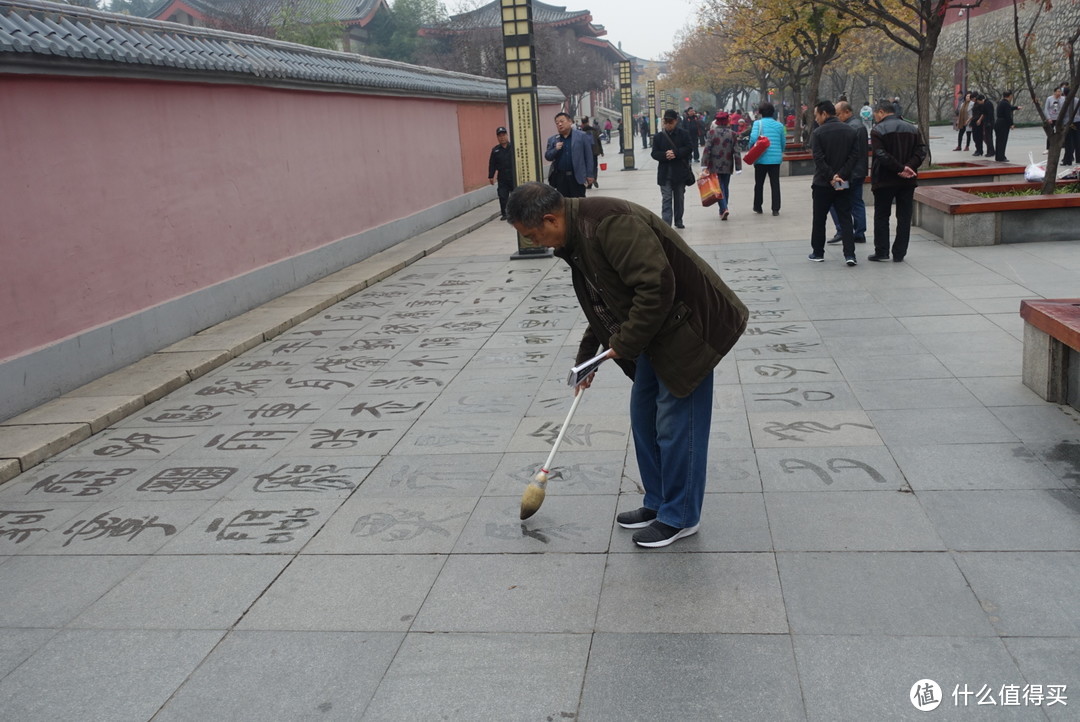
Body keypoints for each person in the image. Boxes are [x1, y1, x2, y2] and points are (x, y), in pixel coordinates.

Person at [504, 181, 749, 548]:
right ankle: (657, 502)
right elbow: (608, 301)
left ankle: (680, 516)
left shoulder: (609, 224)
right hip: (657, 331)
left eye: (533, 234)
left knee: (678, 424)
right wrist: (590, 358)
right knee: (644, 415)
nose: (535, 242)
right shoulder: (578, 236)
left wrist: (623, 344)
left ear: (550, 218)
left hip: (690, 328)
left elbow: (656, 287)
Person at [868, 99, 928, 263]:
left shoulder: (877, 130)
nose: (875, 117)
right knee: (904, 216)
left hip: (884, 180)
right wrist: (909, 167)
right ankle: (900, 252)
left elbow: (880, 154)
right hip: (908, 181)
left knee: (882, 216)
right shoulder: (912, 128)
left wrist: (899, 168)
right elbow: (922, 150)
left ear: (881, 112)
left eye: (875, 113)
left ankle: (882, 251)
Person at [808, 100, 861, 265]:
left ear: (824, 114)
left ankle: (818, 252)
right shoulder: (850, 131)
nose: (816, 119)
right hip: (843, 183)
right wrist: (841, 175)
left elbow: (818, 158)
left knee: (819, 218)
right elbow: (854, 156)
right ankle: (850, 254)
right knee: (845, 217)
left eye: (817, 115)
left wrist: (831, 176)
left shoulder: (818, 133)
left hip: (822, 183)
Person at [827, 101, 869, 246]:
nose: (837, 117)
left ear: (847, 112)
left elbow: (849, 154)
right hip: (858, 172)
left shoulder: (850, 128)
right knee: (857, 202)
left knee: (834, 201)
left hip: (847, 173)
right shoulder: (859, 126)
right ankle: (859, 233)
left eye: (838, 114)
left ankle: (842, 230)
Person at [651, 109, 694, 228]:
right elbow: (654, 153)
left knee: (679, 198)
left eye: (671, 122)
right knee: (666, 199)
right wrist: (665, 155)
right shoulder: (658, 137)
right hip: (665, 174)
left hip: (680, 173)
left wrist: (676, 153)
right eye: (666, 122)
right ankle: (666, 224)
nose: (668, 125)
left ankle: (678, 220)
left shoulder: (683, 134)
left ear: (676, 121)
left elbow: (689, 148)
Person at [701, 110, 742, 221]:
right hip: (728, 165)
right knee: (725, 186)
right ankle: (723, 209)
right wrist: (738, 167)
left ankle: (724, 208)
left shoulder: (711, 133)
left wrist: (704, 164)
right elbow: (737, 151)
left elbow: (707, 149)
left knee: (719, 188)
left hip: (714, 165)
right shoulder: (732, 134)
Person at [749, 101, 787, 216]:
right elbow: (783, 142)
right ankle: (775, 209)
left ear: (760, 112)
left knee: (759, 183)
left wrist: (751, 148)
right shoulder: (780, 125)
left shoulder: (757, 124)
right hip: (775, 159)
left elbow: (753, 138)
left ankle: (758, 206)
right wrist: (779, 152)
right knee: (775, 183)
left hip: (760, 159)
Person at [544, 112, 594, 198]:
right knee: (563, 203)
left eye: (562, 121)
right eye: (557, 123)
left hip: (577, 177)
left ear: (570, 122)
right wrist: (555, 149)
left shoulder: (582, 136)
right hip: (560, 178)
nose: (559, 124)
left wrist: (590, 174)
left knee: (579, 203)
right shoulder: (553, 140)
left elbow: (589, 157)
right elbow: (548, 156)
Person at [487, 126, 515, 220]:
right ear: (497, 138)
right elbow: (492, 164)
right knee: (503, 196)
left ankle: (516, 212)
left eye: (503, 135)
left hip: (513, 175)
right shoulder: (495, 150)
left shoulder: (514, 147)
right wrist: (491, 176)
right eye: (500, 136)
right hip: (502, 176)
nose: (502, 137)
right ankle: (505, 214)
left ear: (507, 135)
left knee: (516, 195)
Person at [994, 91, 1020, 162]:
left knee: (998, 141)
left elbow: (1009, 108)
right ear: (1010, 96)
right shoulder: (1006, 104)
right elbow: (1007, 115)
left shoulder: (1001, 102)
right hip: (1003, 124)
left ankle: (998, 156)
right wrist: (1011, 124)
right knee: (1003, 141)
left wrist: (1016, 107)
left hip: (998, 122)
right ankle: (1001, 157)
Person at [581, 116, 603, 188]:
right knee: (594, 166)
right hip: (594, 151)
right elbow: (598, 141)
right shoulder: (594, 130)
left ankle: (589, 183)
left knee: (586, 166)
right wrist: (601, 151)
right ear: (588, 122)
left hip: (585, 152)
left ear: (582, 123)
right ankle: (594, 178)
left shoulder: (581, 131)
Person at [981, 93, 996, 158]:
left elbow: (989, 114)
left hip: (988, 123)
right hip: (988, 122)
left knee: (988, 138)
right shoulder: (987, 103)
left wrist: (988, 122)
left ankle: (991, 151)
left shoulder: (987, 104)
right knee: (988, 138)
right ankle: (990, 151)